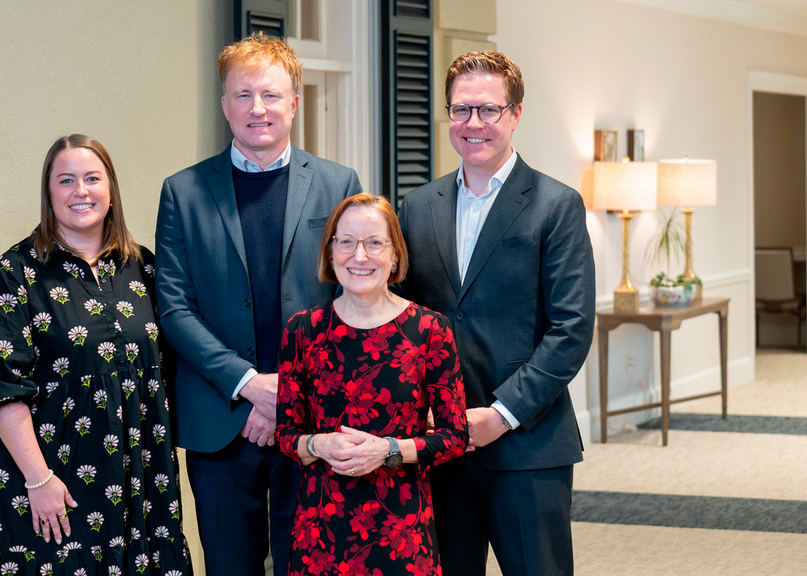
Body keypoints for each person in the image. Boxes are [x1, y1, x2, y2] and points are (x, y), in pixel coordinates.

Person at [154, 34, 362, 576]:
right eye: (242, 95)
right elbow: (174, 308)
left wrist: (285, 398)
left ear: (294, 101)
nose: (257, 109)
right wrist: (250, 387)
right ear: (224, 105)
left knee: (314, 564)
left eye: (270, 95)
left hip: (315, 423)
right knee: (228, 566)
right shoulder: (183, 192)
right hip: (220, 420)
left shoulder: (339, 185)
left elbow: (352, 300)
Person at [397, 51, 595, 576]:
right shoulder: (417, 207)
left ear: (515, 114)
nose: (474, 124)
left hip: (527, 444)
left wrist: (501, 414)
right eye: (461, 111)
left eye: (488, 110)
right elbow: (402, 320)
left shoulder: (557, 205)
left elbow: (571, 329)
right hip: (439, 443)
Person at [0, 134, 192, 575]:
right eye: (66, 180)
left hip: (140, 483)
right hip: (55, 484)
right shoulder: (14, 276)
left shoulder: (144, 268)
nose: (81, 191)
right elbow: (1, 391)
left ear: (111, 190)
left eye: (92, 178)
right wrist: (39, 479)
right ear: (49, 193)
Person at [275, 193, 470, 575]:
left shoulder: (430, 329)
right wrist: (317, 443)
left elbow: (455, 436)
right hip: (321, 531)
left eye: (374, 243)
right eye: (345, 241)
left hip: (402, 530)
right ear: (330, 253)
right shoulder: (303, 330)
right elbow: (285, 433)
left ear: (394, 254)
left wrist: (388, 450)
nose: (359, 256)